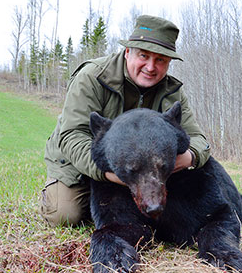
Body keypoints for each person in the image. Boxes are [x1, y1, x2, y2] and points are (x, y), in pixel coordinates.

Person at [39, 15, 211, 227]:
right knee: (65, 215)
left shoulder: (171, 92)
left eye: (160, 60)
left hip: (146, 172)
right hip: (85, 162)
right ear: (127, 52)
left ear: (169, 63)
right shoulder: (92, 77)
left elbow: (199, 139)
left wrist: (189, 156)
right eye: (144, 56)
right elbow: (72, 135)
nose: (150, 67)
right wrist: (110, 173)